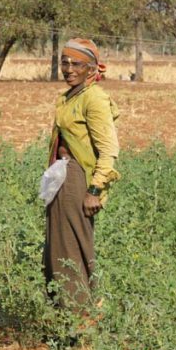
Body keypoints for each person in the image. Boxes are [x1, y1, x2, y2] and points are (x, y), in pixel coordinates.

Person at [44, 38, 120, 307]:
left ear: (91, 68)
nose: (68, 68)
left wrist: (95, 190)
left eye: (76, 63)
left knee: (74, 247)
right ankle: (62, 312)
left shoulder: (94, 98)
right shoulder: (68, 96)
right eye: (64, 62)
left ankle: (80, 317)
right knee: (58, 246)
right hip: (62, 174)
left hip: (79, 180)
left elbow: (109, 149)